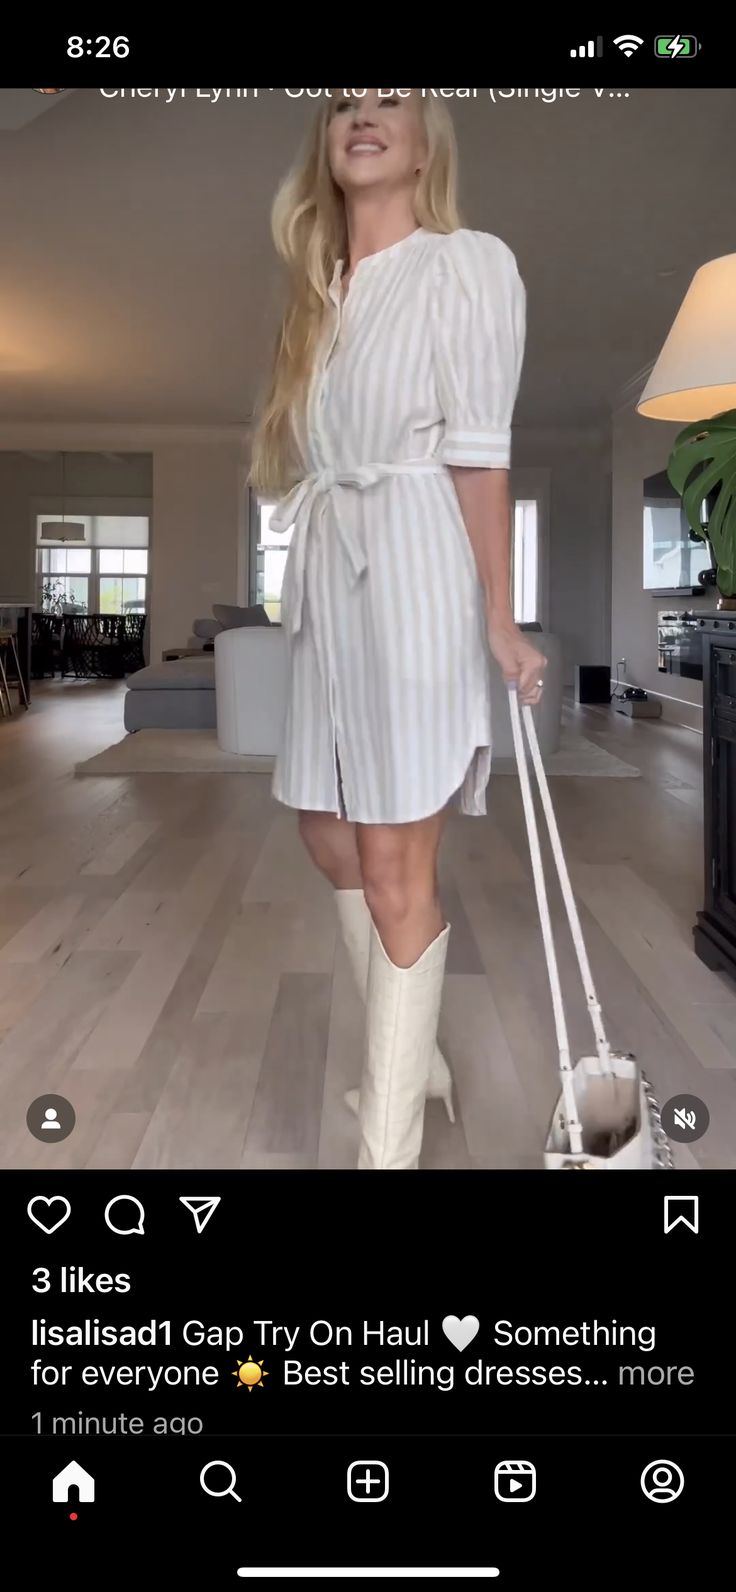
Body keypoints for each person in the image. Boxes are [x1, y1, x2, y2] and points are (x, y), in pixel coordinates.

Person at [250, 89, 546, 1171]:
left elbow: (475, 455)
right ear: (324, 146)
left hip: (413, 563)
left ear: (427, 141)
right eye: (340, 102)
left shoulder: (465, 263)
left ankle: (389, 1143)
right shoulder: (322, 292)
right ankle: (416, 1059)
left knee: (390, 857)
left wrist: (496, 618)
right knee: (322, 828)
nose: (360, 114)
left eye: (388, 99)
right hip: (336, 573)